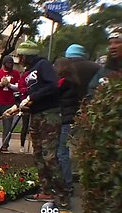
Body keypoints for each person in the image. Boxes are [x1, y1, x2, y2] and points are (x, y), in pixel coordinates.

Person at [10, 40, 69, 208]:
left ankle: (63, 194)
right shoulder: (28, 73)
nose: (19, 59)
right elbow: (28, 93)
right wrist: (20, 104)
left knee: (50, 157)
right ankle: (46, 190)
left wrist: (32, 98)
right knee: (38, 155)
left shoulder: (43, 65)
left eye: (21, 56)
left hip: (49, 115)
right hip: (35, 116)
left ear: (28, 55)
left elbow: (53, 87)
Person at [54, 57, 79, 196]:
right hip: (69, 119)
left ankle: (67, 185)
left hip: (65, 120)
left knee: (61, 153)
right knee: (63, 152)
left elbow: (53, 93)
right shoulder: (73, 82)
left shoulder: (64, 82)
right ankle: (66, 183)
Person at [0, 55, 20, 152]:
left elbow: (18, 87)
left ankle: (5, 145)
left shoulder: (16, 73)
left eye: (11, 63)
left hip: (9, 103)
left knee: (7, 125)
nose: (10, 65)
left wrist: (9, 85)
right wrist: (1, 84)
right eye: (8, 63)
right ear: (4, 63)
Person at [88, 27, 122, 99]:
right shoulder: (104, 71)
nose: (112, 47)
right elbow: (92, 91)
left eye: (117, 42)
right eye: (110, 43)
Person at [18, 68, 30, 153]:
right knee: (25, 125)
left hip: (35, 102)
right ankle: (22, 145)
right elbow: (20, 87)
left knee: (34, 125)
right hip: (25, 103)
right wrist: (27, 90)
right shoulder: (24, 76)